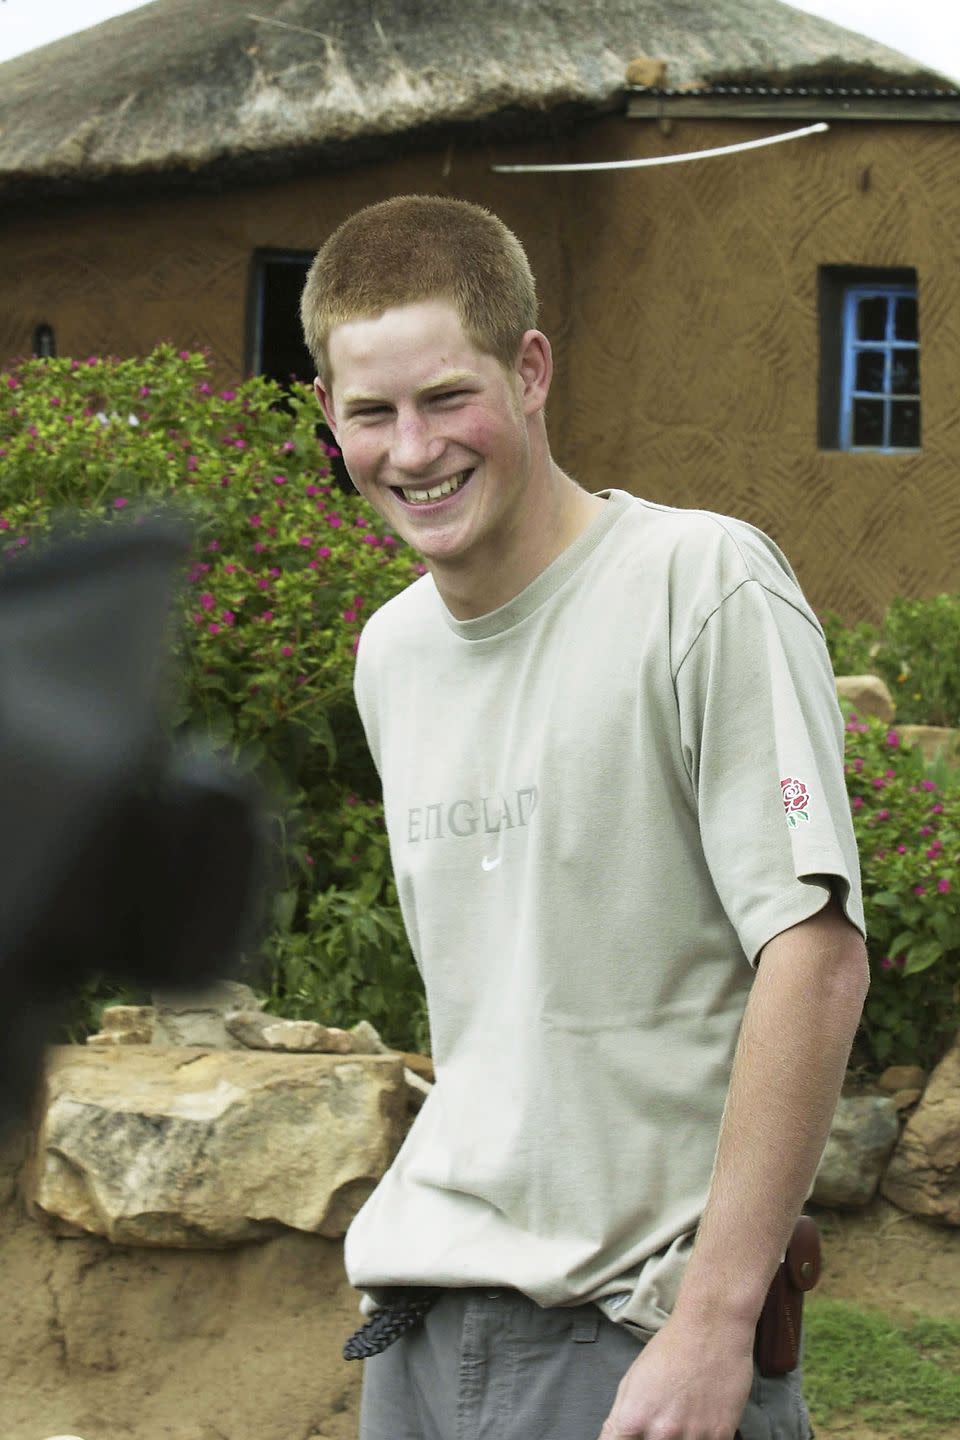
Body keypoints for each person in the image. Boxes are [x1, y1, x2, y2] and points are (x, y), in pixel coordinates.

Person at [300, 195, 869, 1440]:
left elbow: (815, 954)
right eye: (371, 413)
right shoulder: (392, 654)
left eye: (449, 397)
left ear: (534, 369)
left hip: (629, 1344)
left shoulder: (699, 584)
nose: (412, 449)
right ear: (330, 419)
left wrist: (715, 1321)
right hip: (418, 1331)